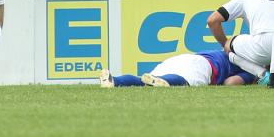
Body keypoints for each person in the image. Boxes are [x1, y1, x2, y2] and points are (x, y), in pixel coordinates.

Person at [206, 0, 274, 85]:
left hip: (266, 43)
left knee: (229, 45)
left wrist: (225, 45)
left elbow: (212, 20)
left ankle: (263, 75)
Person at [100, 50, 257, 88]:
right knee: (183, 81)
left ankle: (114, 81)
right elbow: (231, 82)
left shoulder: (228, 50)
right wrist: (253, 78)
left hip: (183, 59)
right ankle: (163, 81)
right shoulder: (251, 66)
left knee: (143, 81)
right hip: (203, 66)